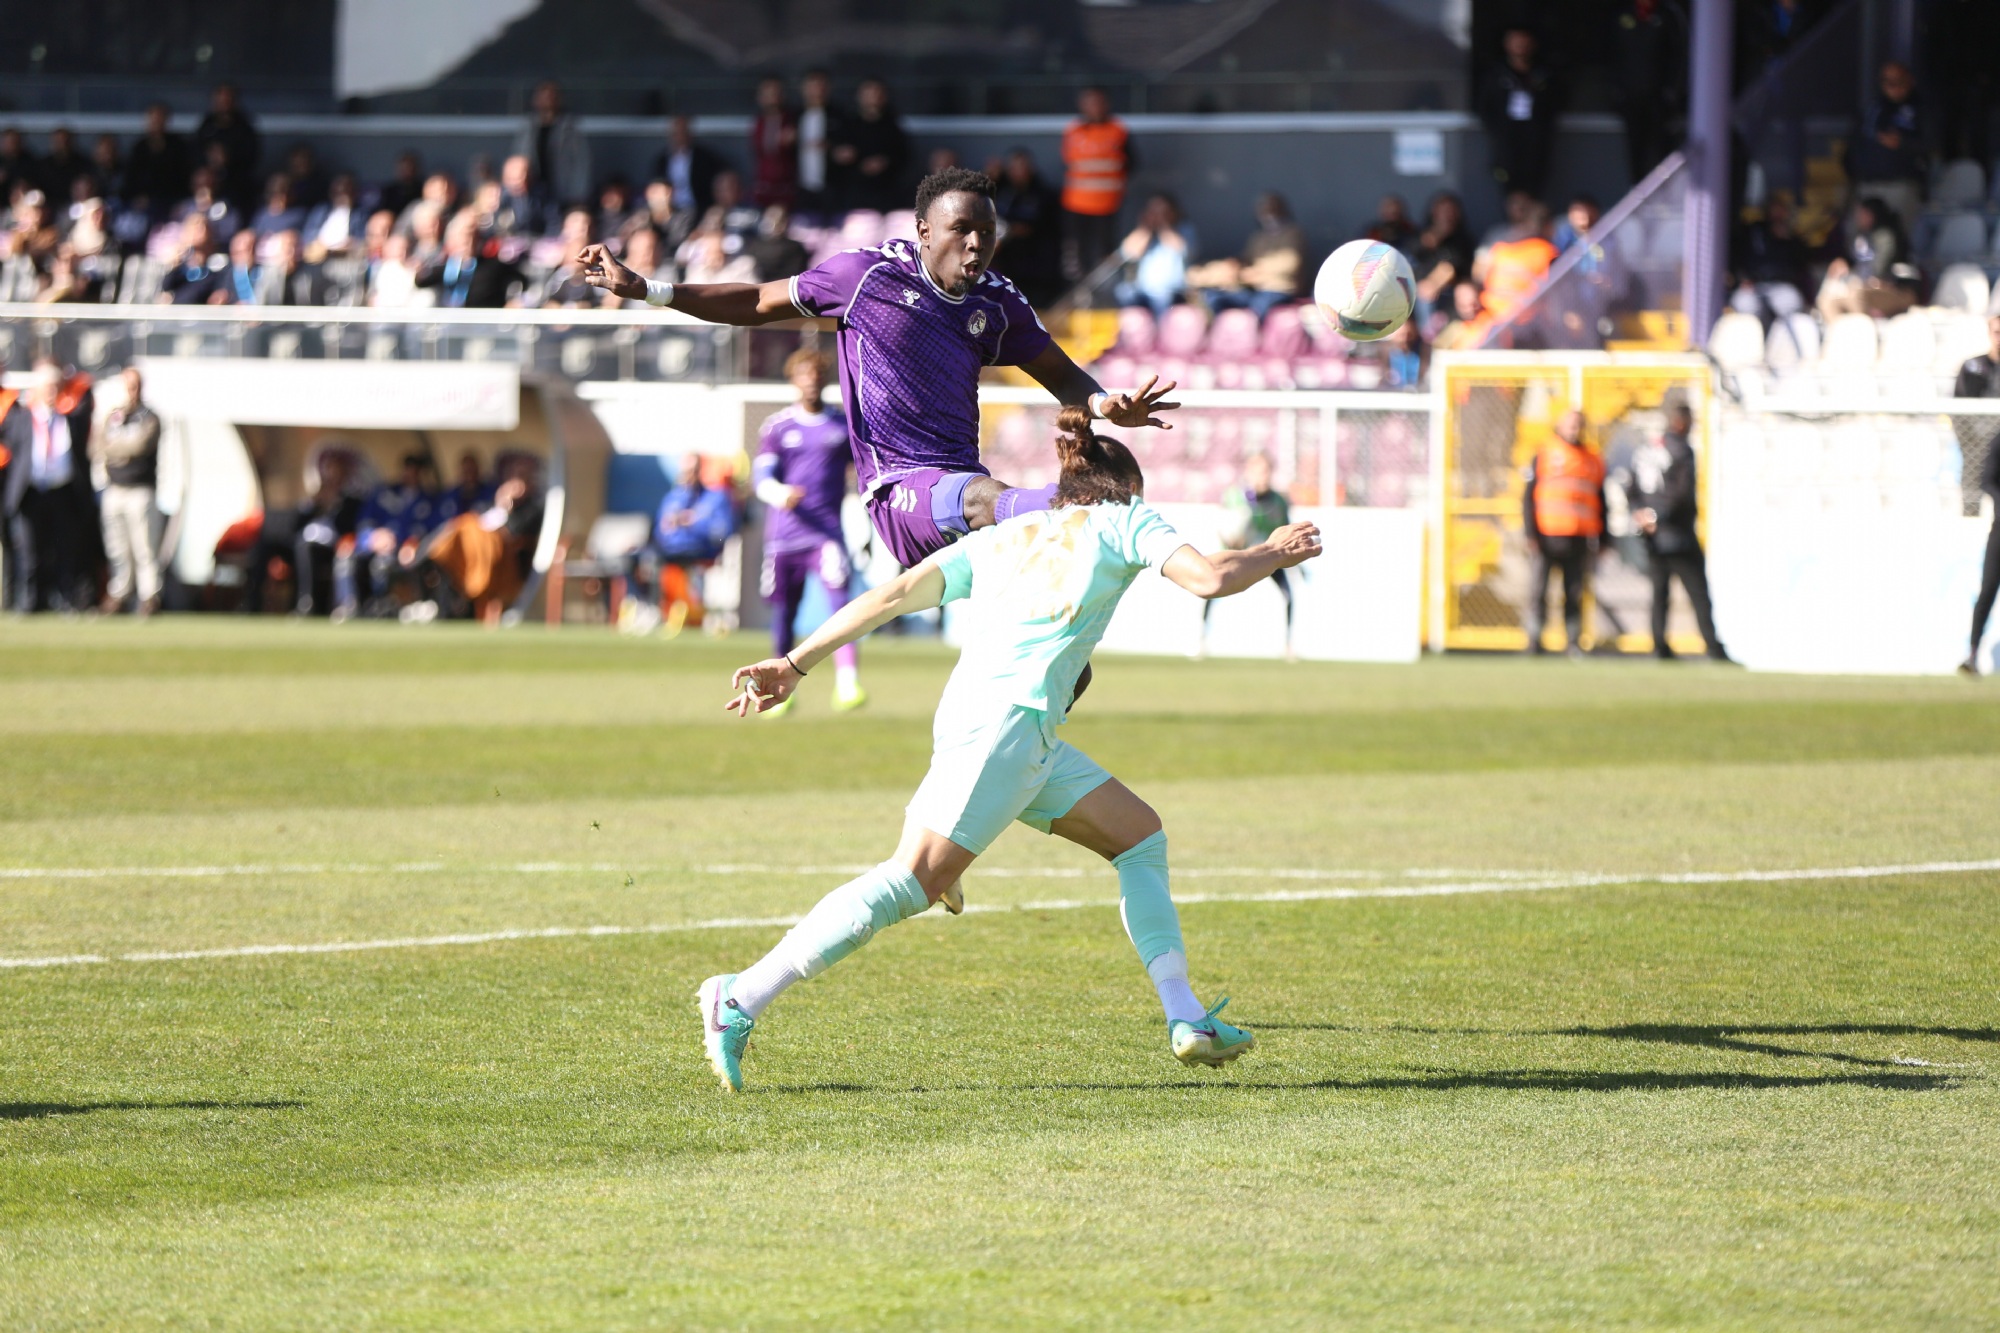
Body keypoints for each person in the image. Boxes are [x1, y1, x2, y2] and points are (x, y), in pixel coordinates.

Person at [696, 406, 1324, 1092]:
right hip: (1004, 731)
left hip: (1004, 727)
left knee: (1139, 837)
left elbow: (896, 592)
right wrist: (1278, 551)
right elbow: (1210, 576)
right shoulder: (1126, 519)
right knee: (910, 881)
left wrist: (795, 661)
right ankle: (741, 995)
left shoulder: (1010, 531)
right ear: (1126, 491)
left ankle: (1188, 1017)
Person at [575, 166, 1177, 577]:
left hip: (965, 495)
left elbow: (1064, 376)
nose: (976, 245)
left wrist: (1103, 406)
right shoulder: (866, 277)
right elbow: (755, 303)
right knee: (1024, 500)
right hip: (900, 492)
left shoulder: (997, 300)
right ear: (923, 233)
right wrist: (649, 289)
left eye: (987, 234)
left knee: (1059, 655)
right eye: (961, 230)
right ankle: (1099, 516)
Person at [754, 350, 866, 714]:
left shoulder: (842, 426)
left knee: (842, 607)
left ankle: (848, 684)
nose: (811, 381)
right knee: (784, 613)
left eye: (817, 375)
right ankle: (779, 686)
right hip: (784, 537)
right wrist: (778, 493)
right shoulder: (777, 427)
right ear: (793, 381)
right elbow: (761, 477)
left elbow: (865, 471)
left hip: (826, 535)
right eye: (804, 375)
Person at [1629, 399, 1729, 662]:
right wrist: (1658, 517)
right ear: (1682, 422)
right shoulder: (1682, 450)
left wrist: (1643, 515)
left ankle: (1659, 647)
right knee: (1698, 594)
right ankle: (1713, 648)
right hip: (1678, 536)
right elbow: (1680, 494)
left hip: (1652, 536)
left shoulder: (1647, 449)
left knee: (1659, 594)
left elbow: (1631, 486)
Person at [2, 357, 98, 612]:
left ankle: (66, 601)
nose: (51, 392)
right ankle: (29, 602)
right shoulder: (20, 419)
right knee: (29, 552)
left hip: (62, 492)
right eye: (46, 387)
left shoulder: (72, 420)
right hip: (31, 492)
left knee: (65, 550)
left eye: (55, 387)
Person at [1521, 408, 1605, 656]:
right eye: (1570, 424)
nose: (1574, 429)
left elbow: (1601, 500)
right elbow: (1528, 497)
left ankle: (1572, 641)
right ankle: (1535, 641)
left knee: (1574, 592)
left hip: (1579, 537)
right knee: (1538, 591)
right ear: (1559, 425)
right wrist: (1530, 534)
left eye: (1578, 425)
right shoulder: (1544, 454)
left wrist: (1604, 538)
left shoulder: (1592, 458)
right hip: (1547, 535)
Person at [1201, 451, 1296, 660]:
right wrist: (1231, 542)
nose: (1262, 476)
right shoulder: (1234, 496)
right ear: (1248, 472)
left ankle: (1288, 645)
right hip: (1238, 552)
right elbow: (1223, 526)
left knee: (1287, 594)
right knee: (1212, 588)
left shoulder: (1279, 500)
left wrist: (1293, 560)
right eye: (1257, 471)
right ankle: (1201, 639)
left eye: (1266, 471)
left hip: (1267, 554)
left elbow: (1286, 529)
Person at [336, 453, 442, 620]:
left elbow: (430, 530)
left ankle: (382, 608)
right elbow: (364, 522)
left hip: (403, 550)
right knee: (345, 558)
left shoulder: (429, 501)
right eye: (408, 469)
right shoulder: (384, 494)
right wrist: (373, 537)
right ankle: (348, 607)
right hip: (374, 544)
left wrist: (412, 543)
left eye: (416, 471)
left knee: (382, 564)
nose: (411, 474)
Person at [93, 366, 162, 616]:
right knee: (117, 547)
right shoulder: (114, 415)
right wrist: (122, 449)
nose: (133, 391)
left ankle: (149, 596)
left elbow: (140, 445)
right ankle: (119, 593)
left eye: (136, 386)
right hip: (115, 488)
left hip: (140, 489)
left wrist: (117, 449)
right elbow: (99, 444)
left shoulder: (150, 416)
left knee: (145, 547)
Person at [643, 453, 738, 635]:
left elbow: (724, 531)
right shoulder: (672, 498)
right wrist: (667, 527)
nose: (689, 475)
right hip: (671, 549)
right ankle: (652, 609)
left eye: (693, 470)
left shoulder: (715, 497)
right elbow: (659, 529)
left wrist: (694, 524)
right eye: (686, 471)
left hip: (701, 549)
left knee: (681, 565)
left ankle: (696, 612)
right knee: (641, 557)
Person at [1476, 26, 1563, 203]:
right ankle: (1515, 224)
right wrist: (1498, 130)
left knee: (1534, 189)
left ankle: (1532, 225)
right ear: (1506, 44)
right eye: (1516, 41)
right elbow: (1485, 107)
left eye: (1524, 41)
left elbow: (1555, 104)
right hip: (1507, 144)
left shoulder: (1543, 75)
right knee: (1510, 189)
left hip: (1535, 142)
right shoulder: (1496, 75)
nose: (1520, 46)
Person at [1958, 315, 2000, 677]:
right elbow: (1987, 477)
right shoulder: (1972, 368)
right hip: (1998, 524)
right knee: (1988, 588)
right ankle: (1972, 653)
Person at [1187, 192, 1303, 321]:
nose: (1268, 212)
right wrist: (1234, 264)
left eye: (1272, 207)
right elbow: (1246, 258)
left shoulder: (1293, 233)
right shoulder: (1258, 236)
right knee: (1215, 298)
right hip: (1253, 289)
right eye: (1264, 208)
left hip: (1278, 290)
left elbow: (1291, 262)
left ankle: (1256, 340)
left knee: (1259, 306)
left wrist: (1255, 271)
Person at [1847, 61, 1928, 236]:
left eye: (1898, 81)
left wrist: (1902, 144)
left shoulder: (1921, 107)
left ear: (1909, 80)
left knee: (1895, 239)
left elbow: (1931, 144)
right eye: (1887, 81)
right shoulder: (1873, 107)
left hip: (1900, 186)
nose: (1893, 86)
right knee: (1858, 239)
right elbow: (1855, 142)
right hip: (1867, 185)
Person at [1061, 86, 1133, 281]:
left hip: (1107, 204)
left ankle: (1104, 290)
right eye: (1089, 102)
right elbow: (1067, 162)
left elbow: (1132, 163)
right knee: (1077, 254)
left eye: (1098, 102)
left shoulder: (1118, 130)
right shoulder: (1073, 130)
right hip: (1076, 203)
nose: (1094, 107)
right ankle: (1078, 293)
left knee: (1105, 253)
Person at [993, 147, 1063, 305]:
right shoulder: (1002, 191)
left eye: (1022, 167)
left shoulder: (1042, 194)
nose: (1019, 173)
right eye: (1013, 168)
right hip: (1007, 265)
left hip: (1037, 267)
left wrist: (1010, 231)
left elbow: (1034, 226)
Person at [830, 78, 909, 214]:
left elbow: (904, 157)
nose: (873, 98)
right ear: (860, 96)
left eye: (877, 93)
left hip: (886, 193)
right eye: (869, 93)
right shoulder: (848, 124)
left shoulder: (893, 127)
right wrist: (839, 155)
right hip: (853, 194)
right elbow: (834, 153)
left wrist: (885, 162)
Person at [1112, 192, 1195, 321]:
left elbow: (1183, 249)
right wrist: (1146, 228)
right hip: (1143, 292)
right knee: (1124, 294)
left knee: (1164, 302)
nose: (1157, 215)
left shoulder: (1183, 229)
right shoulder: (1144, 232)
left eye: (1163, 211)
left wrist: (1164, 225)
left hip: (1173, 292)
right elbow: (1128, 253)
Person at [416, 212, 523, 308]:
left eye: (474, 236)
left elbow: (520, 281)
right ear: (452, 239)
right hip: (450, 324)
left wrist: (513, 301)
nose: (469, 241)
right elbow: (420, 281)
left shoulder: (494, 267)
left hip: (484, 325)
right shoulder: (445, 268)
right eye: (464, 236)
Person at [513, 81, 590, 207]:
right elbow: (517, 157)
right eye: (543, 96)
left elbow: (581, 163)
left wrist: (578, 193)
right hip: (532, 190)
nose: (547, 101)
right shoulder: (528, 127)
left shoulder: (569, 128)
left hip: (561, 190)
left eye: (552, 97)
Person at [193, 84, 260, 211]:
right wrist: (209, 159)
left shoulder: (244, 127)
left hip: (236, 183)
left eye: (227, 101)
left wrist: (228, 158)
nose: (224, 105)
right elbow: (195, 151)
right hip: (209, 180)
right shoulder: (207, 125)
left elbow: (251, 157)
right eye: (220, 101)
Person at [121, 104, 190, 223]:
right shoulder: (139, 148)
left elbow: (183, 176)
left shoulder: (178, 146)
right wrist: (137, 197)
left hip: (172, 200)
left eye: (160, 119)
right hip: (143, 203)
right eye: (153, 119)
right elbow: (131, 178)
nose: (156, 123)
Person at [793, 69, 844, 223]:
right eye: (812, 86)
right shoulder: (795, 116)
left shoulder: (839, 116)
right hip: (800, 187)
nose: (817, 91)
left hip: (832, 186)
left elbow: (848, 146)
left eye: (821, 86)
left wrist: (833, 148)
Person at [657, 115, 725, 217]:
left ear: (690, 133)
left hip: (698, 210)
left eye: (683, 132)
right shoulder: (662, 160)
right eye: (675, 133)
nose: (679, 137)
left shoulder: (705, 158)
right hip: (670, 212)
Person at [749, 76, 797, 210]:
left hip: (788, 187)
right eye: (767, 94)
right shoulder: (758, 122)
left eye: (775, 93)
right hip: (764, 186)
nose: (772, 98)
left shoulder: (792, 120)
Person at [158, 214, 227, 304]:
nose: (198, 231)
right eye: (194, 228)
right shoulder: (182, 266)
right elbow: (166, 288)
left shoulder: (217, 265)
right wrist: (174, 264)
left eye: (202, 227)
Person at [254, 230, 333, 306]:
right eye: (288, 247)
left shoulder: (312, 273)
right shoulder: (268, 273)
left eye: (296, 246)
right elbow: (260, 300)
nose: (292, 252)